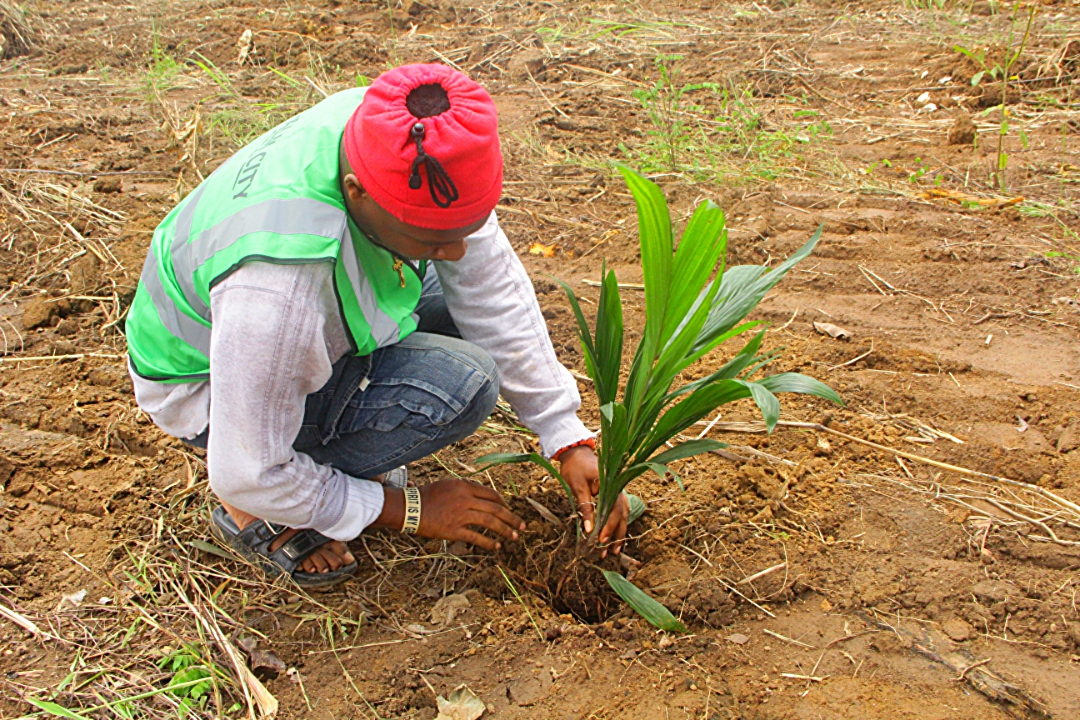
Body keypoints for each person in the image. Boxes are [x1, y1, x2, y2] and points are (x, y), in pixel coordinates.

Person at [125, 63, 631, 587]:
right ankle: (260, 512)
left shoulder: (405, 137)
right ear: (357, 192)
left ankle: (324, 449)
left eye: (465, 229)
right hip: (209, 386)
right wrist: (408, 509)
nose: (456, 251)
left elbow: (489, 287)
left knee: (455, 302)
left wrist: (563, 433)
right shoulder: (277, 288)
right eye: (433, 239)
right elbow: (246, 470)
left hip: (278, 318)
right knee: (461, 384)